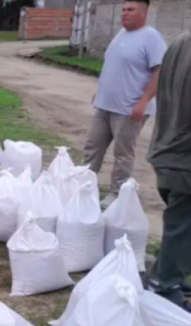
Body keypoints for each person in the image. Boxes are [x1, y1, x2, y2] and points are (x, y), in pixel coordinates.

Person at [82, 0, 167, 209]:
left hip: (129, 110)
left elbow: (160, 71)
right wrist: (99, 92)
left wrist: (144, 101)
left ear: (144, 13)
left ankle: (117, 193)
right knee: (92, 147)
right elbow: (114, 66)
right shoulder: (121, 34)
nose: (124, 13)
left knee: (122, 154)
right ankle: (82, 185)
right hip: (105, 105)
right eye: (123, 10)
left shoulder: (151, 38)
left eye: (130, 10)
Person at [146, 31, 191, 313]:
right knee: (183, 225)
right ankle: (164, 286)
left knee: (180, 224)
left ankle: (166, 272)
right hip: (185, 157)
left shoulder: (180, 42)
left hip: (166, 146)